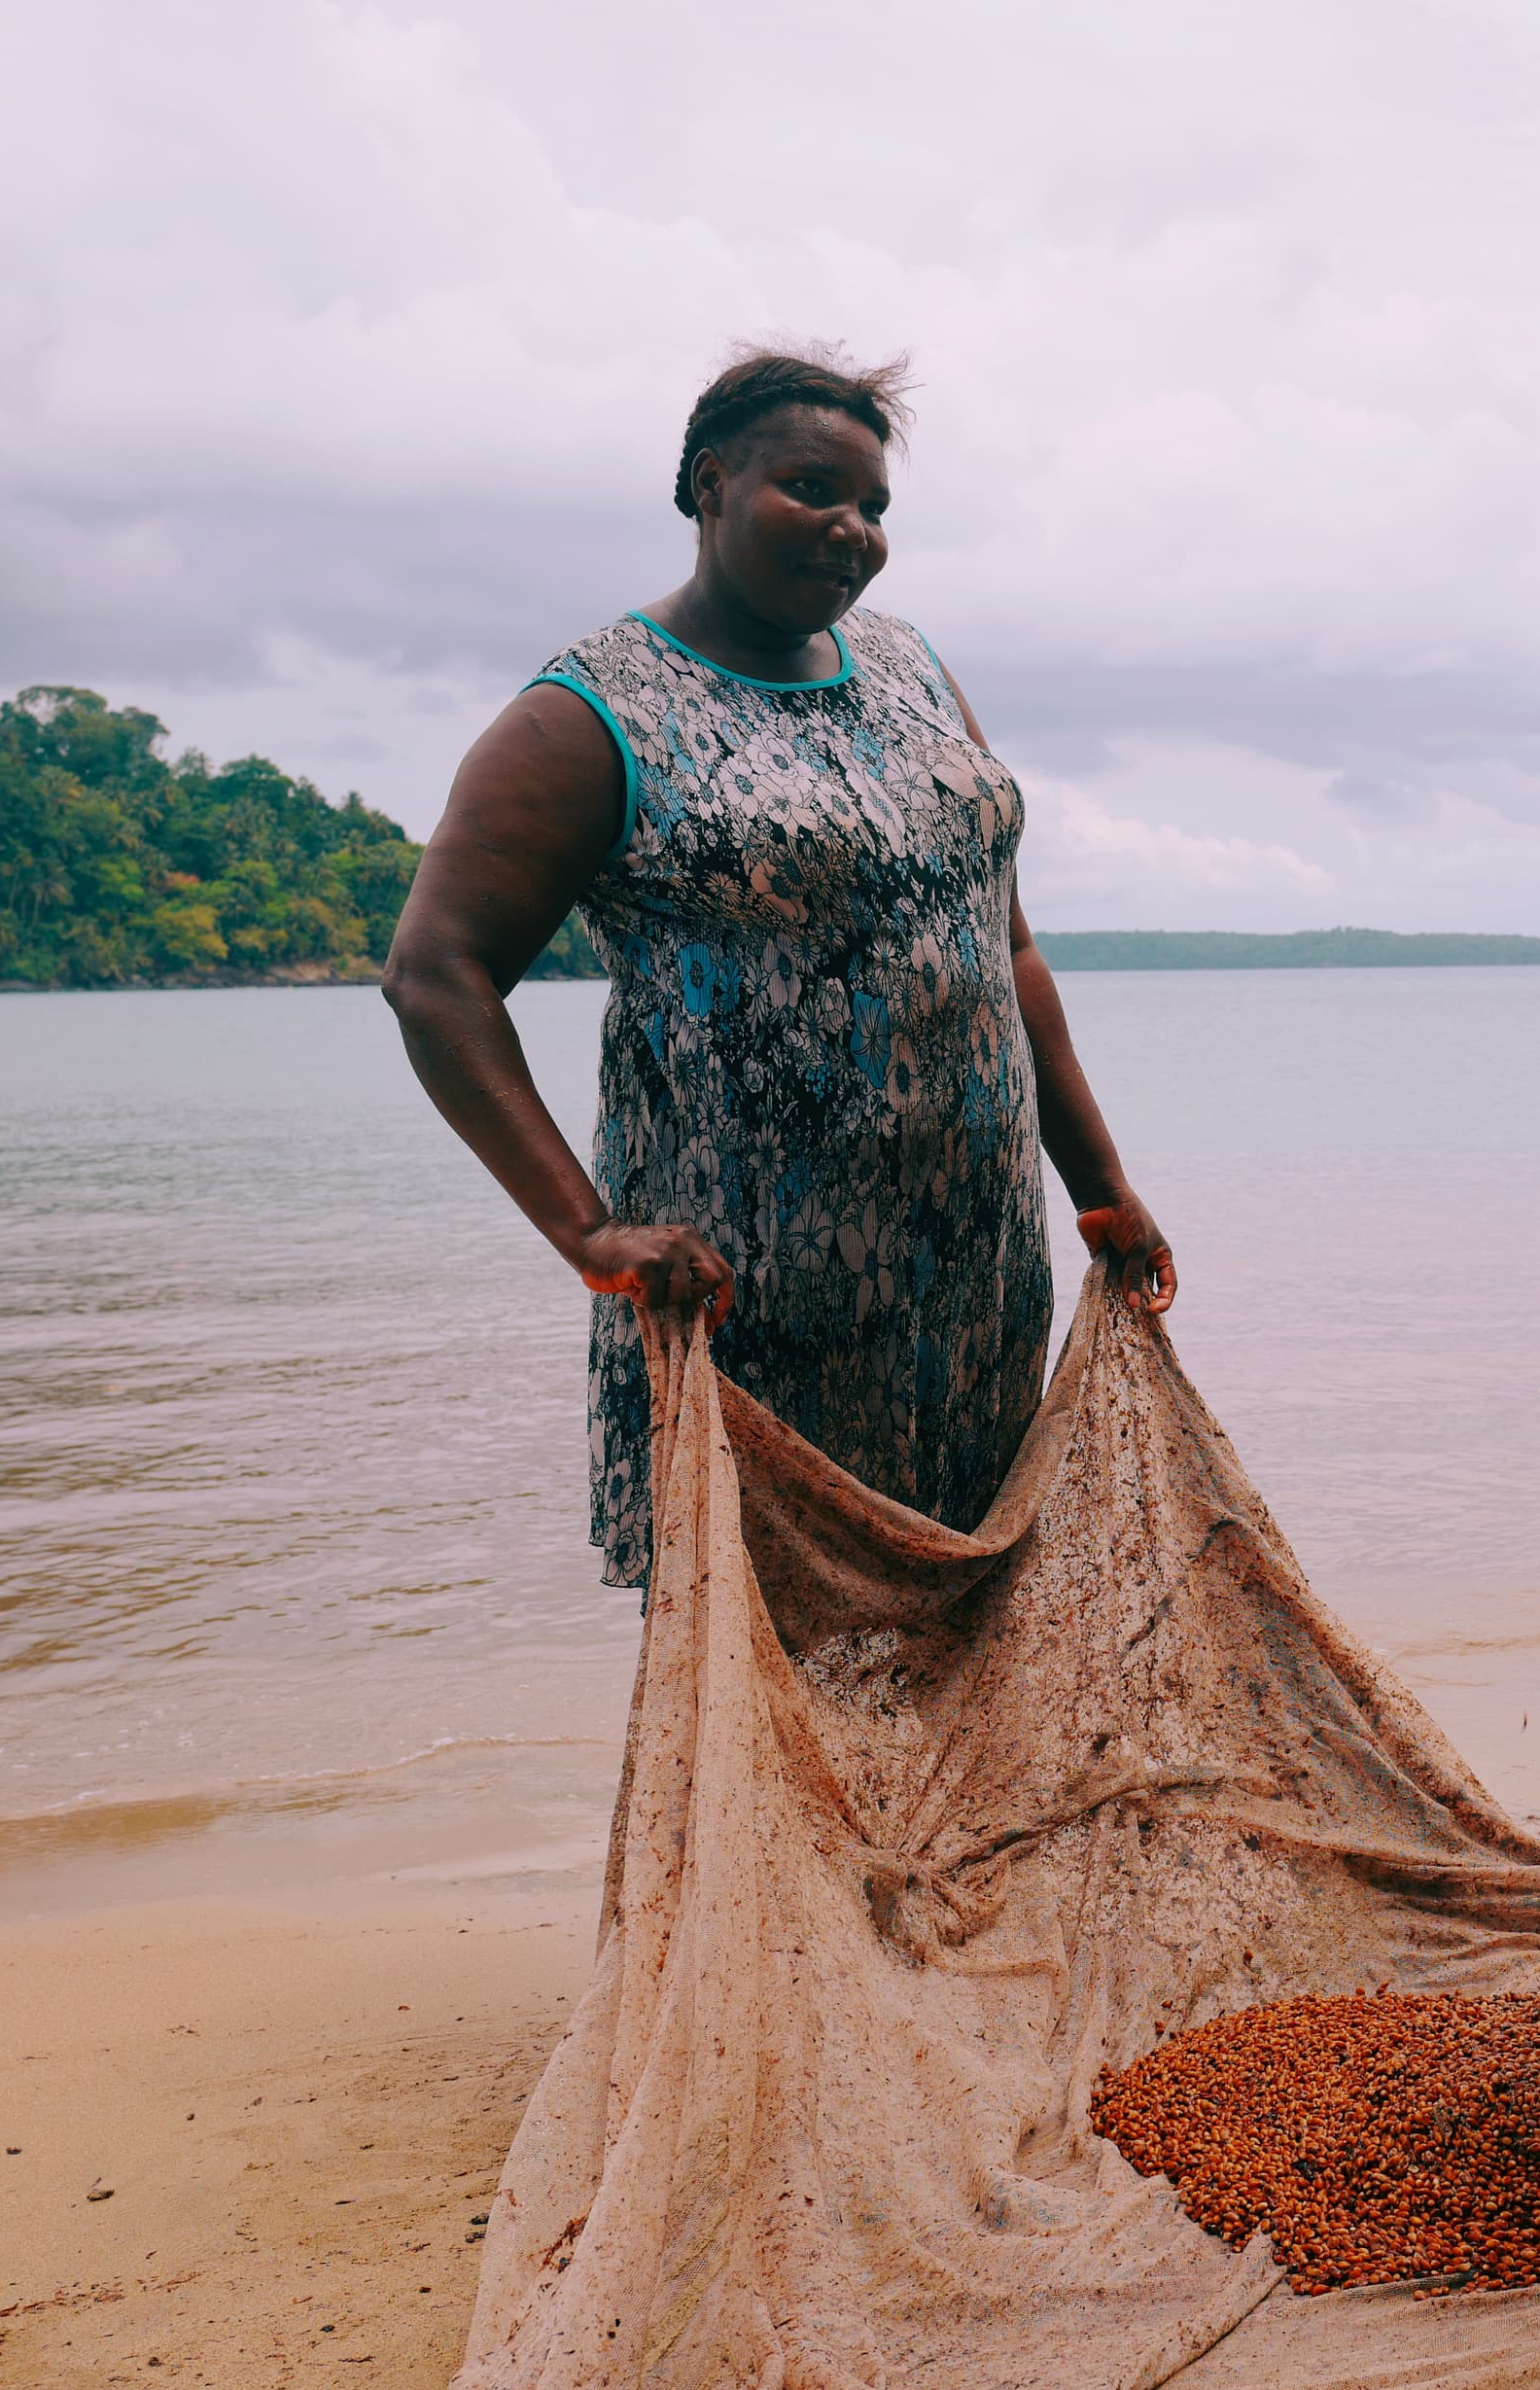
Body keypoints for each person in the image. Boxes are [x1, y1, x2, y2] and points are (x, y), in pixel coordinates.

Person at [385, 346, 1172, 1587]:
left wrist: (1099, 1184)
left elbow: (1002, 940)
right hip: (753, 1298)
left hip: (974, 1269)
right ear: (708, 485)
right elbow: (436, 974)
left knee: (976, 1625)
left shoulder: (909, 669)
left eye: (874, 507)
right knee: (779, 1648)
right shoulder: (596, 711)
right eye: (813, 489)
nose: (851, 530)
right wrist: (590, 1234)